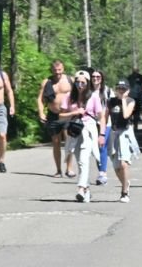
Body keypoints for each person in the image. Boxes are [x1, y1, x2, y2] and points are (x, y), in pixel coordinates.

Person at [62, 69, 106, 202]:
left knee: (84, 160)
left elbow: (101, 117)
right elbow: (61, 115)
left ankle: (81, 188)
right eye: (77, 83)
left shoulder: (93, 97)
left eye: (83, 83)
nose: (80, 85)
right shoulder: (69, 97)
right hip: (74, 131)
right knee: (79, 161)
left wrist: (102, 134)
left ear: (87, 83)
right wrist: (74, 112)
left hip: (89, 130)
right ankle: (86, 189)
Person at [36, 60, 73, 176]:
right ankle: (58, 170)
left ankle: (69, 168)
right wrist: (41, 112)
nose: (57, 72)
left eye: (59, 70)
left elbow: (79, 96)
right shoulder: (47, 82)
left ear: (63, 69)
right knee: (56, 142)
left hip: (67, 114)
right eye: (55, 70)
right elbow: (40, 99)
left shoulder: (70, 80)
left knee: (68, 141)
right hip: (53, 114)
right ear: (51, 70)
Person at [107, 80, 138, 202]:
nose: (120, 91)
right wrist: (102, 133)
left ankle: (124, 193)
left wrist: (124, 99)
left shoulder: (130, 101)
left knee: (123, 164)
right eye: (119, 88)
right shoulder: (111, 101)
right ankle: (126, 183)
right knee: (116, 167)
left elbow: (126, 115)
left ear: (127, 90)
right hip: (114, 133)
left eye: (123, 89)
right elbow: (105, 116)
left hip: (125, 132)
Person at [90, 69, 114, 185]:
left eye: (98, 77)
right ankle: (101, 172)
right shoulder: (88, 91)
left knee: (101, 146)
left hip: (106, 122)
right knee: (96, 147)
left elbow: (112, 107)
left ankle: (102, 173)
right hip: (92, 122)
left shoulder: (107, 91)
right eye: (93, 76)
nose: (95, 78)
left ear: (102, 78)